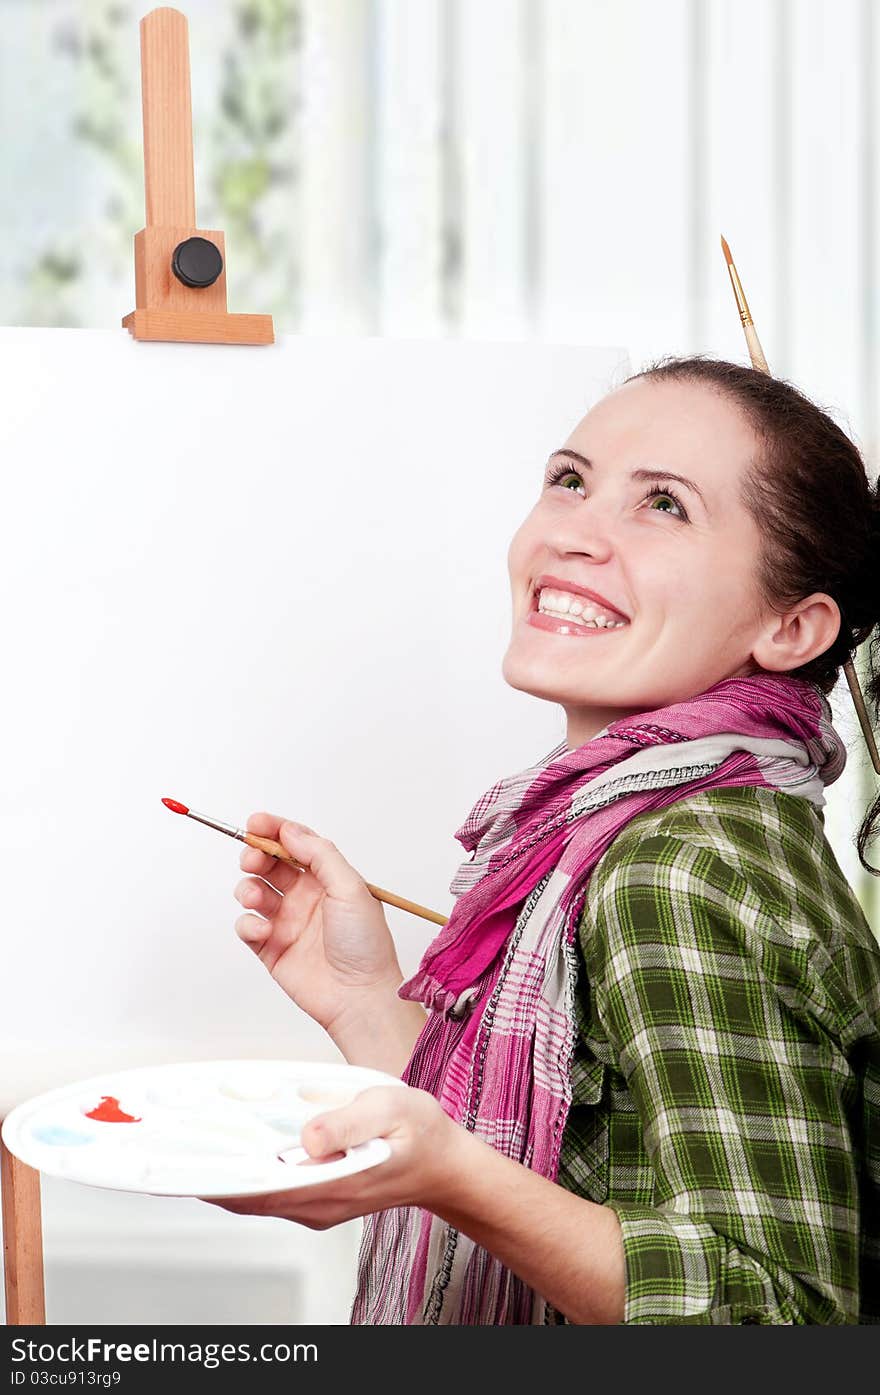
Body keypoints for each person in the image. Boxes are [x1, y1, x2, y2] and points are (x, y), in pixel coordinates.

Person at [208, 357, 880, 1325]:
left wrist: (455, 1184)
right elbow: (571, 1156)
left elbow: (780, 1315)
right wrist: (362, 1001)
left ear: (790, 627)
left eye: (664, 507)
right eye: (570, 480)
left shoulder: (679, 864)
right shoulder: (619, 827)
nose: (575, 531)